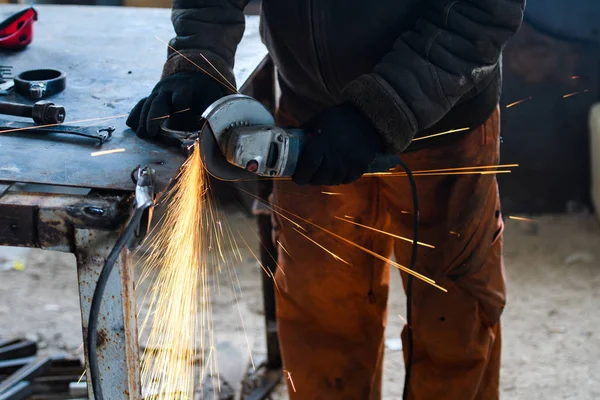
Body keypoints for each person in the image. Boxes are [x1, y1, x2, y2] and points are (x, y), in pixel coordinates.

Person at [127, 1, 525, 398]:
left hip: (441, 121)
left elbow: (485, 8)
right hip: (311, 120)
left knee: (453, 317)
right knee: (321, 314)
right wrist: (199, 59)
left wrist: (383, 108)